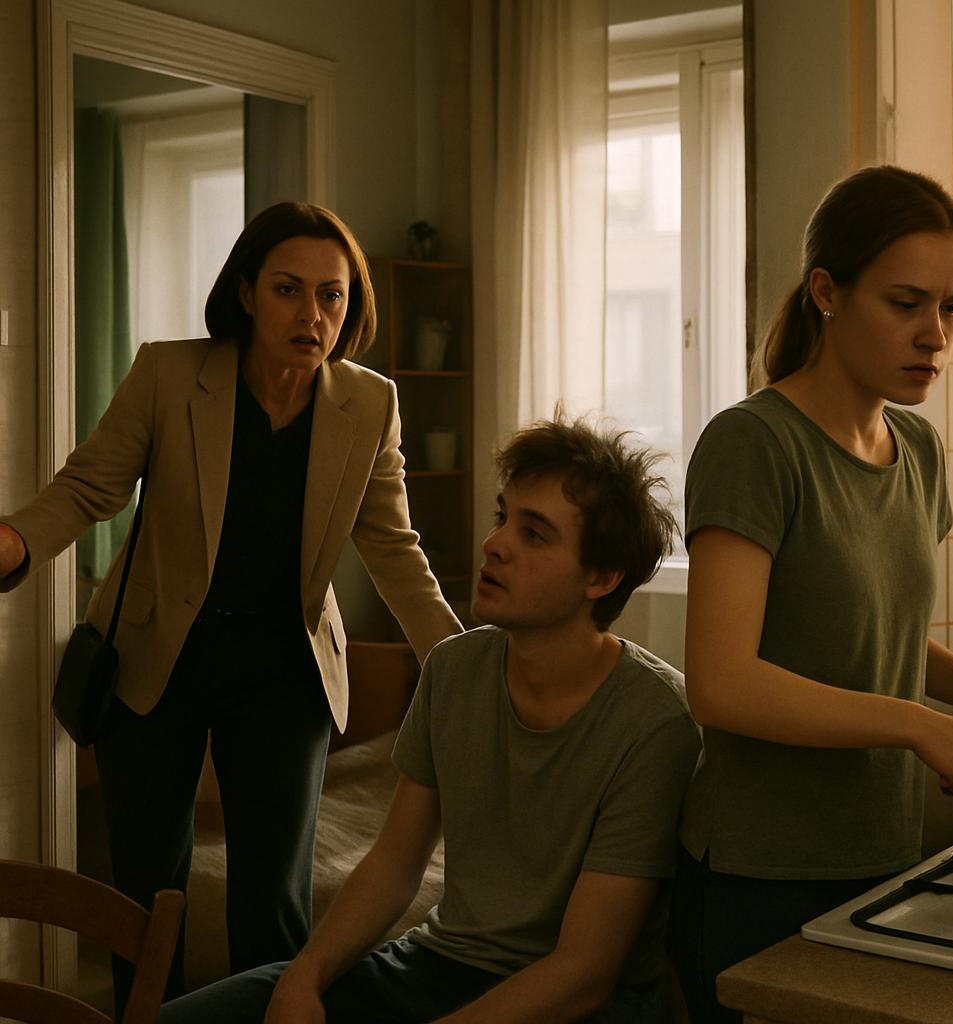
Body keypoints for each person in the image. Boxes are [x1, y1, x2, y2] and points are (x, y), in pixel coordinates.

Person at [0, 202, 463, 1006]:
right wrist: (13, 540)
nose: (311, 314)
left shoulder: (370, 404)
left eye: (331, 296)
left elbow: (395, 549)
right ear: (246, 293)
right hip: (157, 660)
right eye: (288, 289)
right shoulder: (170, 375)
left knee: (273, 897)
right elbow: (88, 488)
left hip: (285, 670)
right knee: (145, 889)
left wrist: (463, 665)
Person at [155, 414, 702, 1024]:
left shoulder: (655, 720)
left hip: (570, 1005)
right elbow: (394, 866)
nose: (495, 544)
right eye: (502, 517)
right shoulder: (454, 668)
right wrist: (303, 977)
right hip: (436, 965)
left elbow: (585, 972)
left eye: (534, 534)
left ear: (601, 577)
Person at [671, 164, 953, 1022]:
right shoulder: (754, 444)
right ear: (826, 292)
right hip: (760, 871)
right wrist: (918, 724)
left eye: (952, 307)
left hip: (882, 851)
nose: (935, 335)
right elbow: (721, 684)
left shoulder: (918, 450)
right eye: (905, 303)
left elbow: (878, 634)